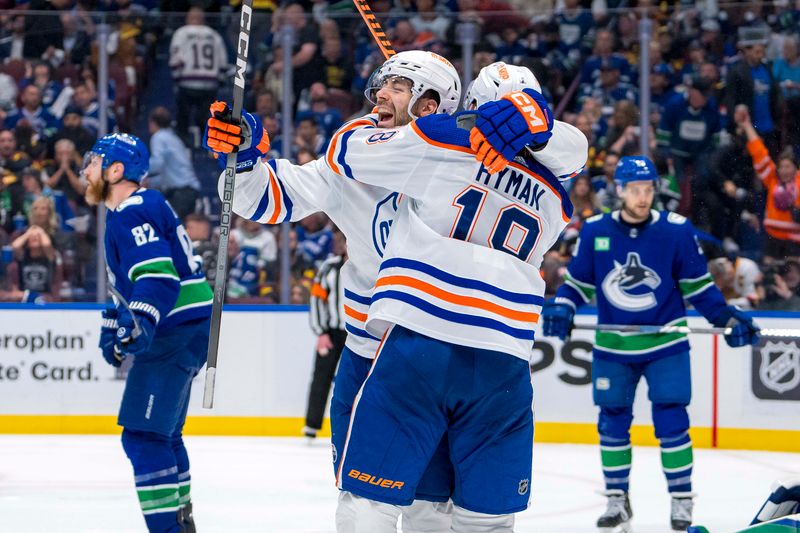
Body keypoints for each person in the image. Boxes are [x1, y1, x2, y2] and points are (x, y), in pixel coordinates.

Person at [203, 53, 586, 531]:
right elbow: (264, 197)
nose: (380, 95)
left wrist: (530, 121)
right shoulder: (369, 165)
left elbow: (564, 145)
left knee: (424, 506)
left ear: (432, 105)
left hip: (416, 348)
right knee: (377, 497)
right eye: (380, 86)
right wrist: (243, 159)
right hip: (376, 353)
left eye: (399, 87)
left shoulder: (429, 149)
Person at [541, 156, 761, 532]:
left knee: (673, 423)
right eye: (636, 190)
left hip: (666, 343)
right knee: (611, 425)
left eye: (648, 190)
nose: (643, 198)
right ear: (621, 191)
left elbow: (698, 287)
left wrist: (726, 317)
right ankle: (617, 498)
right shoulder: (595, 231)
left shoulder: (676, 231)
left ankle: (681, 501)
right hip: (614, 345)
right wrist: (562, 305)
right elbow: (579, 284)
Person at [82, 133, 213, 533]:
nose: (86, 169)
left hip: (173, 333)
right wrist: (114, 325)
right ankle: (181, 522)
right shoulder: (141, 205)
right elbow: (133, 280)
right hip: (188, 328)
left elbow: (157, 275)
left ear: (115, 170)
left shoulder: (131, 210)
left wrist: (139, 322)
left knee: (143, 438)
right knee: (165, 435)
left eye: (93, 161)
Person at [735, 107, 800, 260]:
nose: (784, 170)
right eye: (781, 166)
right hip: (771, 239)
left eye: (788, 167)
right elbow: (759, 152)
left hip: (795, 242)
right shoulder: (772, 178)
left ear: (796, 168)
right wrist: (747, 126)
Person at [303, 229, 347, 440]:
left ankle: (353, 424)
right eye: (339, 241)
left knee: (356, 380)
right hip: (332, 332)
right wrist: (321, 332)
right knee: (321, 376)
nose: (341, 245)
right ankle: (312, 425)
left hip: (360, 334)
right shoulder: (329, 267)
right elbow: (317, 299)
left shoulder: (369, 267)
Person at [168, 7, 228, 143]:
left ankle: (183, 146)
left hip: (187, 82)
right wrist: (219, 79)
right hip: (210, 84)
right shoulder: (214, 35)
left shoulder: (181, 33)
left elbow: (175, 60)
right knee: (207, 119)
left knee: (183, 119)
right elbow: (223, 62)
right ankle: (208, 150)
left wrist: (177, 77)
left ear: (188, 18)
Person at [146, 107, 201, 221]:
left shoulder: (159, 137)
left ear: (153, 123)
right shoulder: (173, 137)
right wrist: (151, 182)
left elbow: (157, 164)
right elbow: (167, 173)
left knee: (170, 227)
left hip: (181, 193)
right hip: (188, 191)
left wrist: (138, 170)